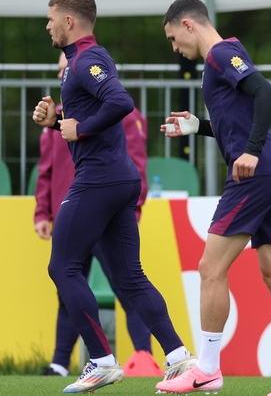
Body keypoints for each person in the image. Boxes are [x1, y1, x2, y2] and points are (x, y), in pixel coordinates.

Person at [155, 0, 271, 396]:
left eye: (172, 38)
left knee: (209, 268)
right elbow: (240, 119)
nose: (174, 48)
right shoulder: (225, 56)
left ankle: (208, 369)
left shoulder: (220, 53)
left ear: (187, 24)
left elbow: (266, 94)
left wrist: (250, 151)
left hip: (257, 173)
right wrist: (199, 126)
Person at [31, 0, 195, 394]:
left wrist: (78, 126)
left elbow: (120, 102)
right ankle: (179, 358)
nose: (47, 25)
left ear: (69, 21)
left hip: (99, 179)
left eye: (51, 18)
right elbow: (91, 118)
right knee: (129, 276)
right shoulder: (80, 62)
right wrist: (57, 122)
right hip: (118, 179)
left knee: (62, 267)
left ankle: (102, 361)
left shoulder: (86, 59)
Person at [36, 52, 161, 377]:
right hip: (70, 213)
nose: (65, 77)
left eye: (68, 72)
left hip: (104, 213)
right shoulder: (60, 119)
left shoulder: (113, 116)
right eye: (61, 72)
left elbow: (134, 163)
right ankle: (60, 363)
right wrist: (42, 212)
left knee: (125, 284)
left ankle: (143, 357)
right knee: (67, 287)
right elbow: (46, 172)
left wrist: (133, 206)